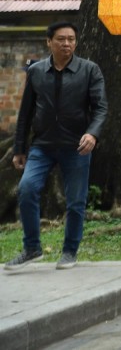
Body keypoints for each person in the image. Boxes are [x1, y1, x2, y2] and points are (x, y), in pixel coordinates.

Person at [6, 21, 107, 271]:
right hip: (42, 145)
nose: (67, 44)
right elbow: (25, 113)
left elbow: (101, 108)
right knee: (27, 189)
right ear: (49, 42)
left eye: (71, 39)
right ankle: (32, 248)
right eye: (61, 39)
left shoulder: (89, 70)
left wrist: (92, 134)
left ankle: (70, 251)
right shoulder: (37, 71)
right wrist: (20, 148)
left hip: (76, 146)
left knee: (75, 201)